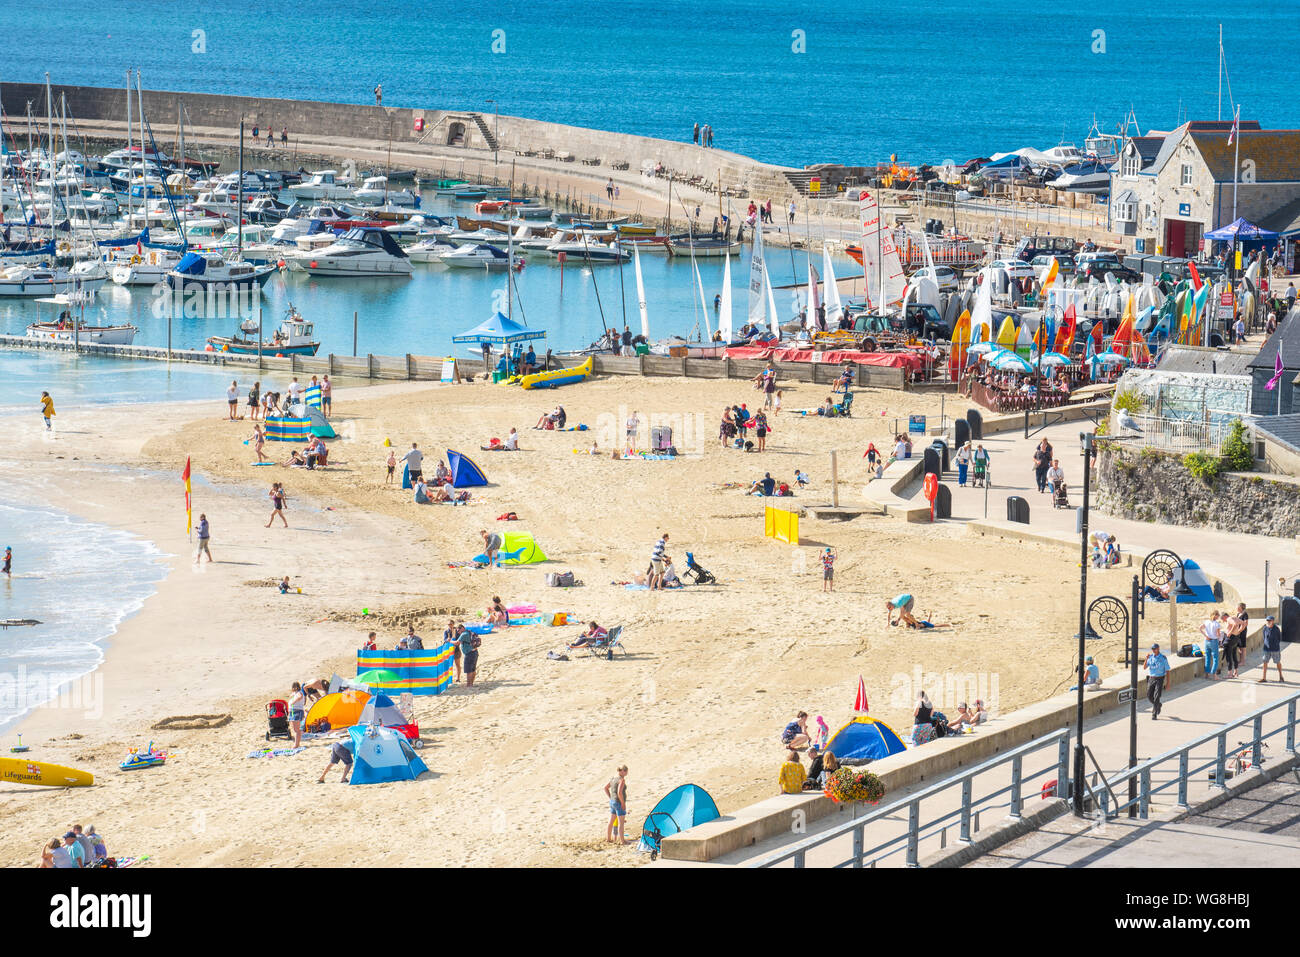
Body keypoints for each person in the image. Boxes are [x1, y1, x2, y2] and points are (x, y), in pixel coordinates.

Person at [1144, 643, 1170, 719]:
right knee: (1149, 696)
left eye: (1155, 649)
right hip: (1151, 678)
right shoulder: (1151, 657)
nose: (1154, 650)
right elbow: (1145, 667)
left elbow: (1167, 670)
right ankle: (1158, 704)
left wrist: (1168, 683)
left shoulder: (1163, 658)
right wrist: (1146, 659)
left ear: (1158, 649)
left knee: (1156, 696)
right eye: (1153, 649)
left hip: (1160, 678)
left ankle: (1154, 714)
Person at [605, 765, 630, 844]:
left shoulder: (613, 778)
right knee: (621, 822)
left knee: (611, 821)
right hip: (618, 802)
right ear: (622, 771)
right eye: (626, 771)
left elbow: (605, 788)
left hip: (612, 801)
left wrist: (611, 797)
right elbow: (619, 793)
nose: (626, 772)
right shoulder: (621, 780)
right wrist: (623, 803)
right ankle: (622, 841)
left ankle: (608, 838)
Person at [1259, 614, 1284, 683]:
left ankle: (1281, 676)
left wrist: (1275, 645)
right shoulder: (1265, 628)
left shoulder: (1276, 629)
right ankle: (1264, 678)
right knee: (1265, 662)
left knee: (1277, 662)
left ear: (1273, 621)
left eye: (1269, 620)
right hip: (1266, 649)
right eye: (1267, 620)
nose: (1268, 622)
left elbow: (1279, 638)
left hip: (1275, 649)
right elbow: (1264, 637)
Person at [1200, 611, 1222, 680]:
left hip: (1207, 640)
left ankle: (1207, 674)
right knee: (1215, 658)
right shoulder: (1217, 624)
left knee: (1208, 657)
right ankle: (1214, 675)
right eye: (1218, 616)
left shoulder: (1206, 622)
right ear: (1216, 616)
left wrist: (1205, 636)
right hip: (1214, 641)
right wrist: (1220, 638)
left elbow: (1200, 628)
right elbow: (1218, 635)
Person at [288, 682, 306, 747]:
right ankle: (297, 743)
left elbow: (300, 697)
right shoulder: (296, 693)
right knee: (295, 729)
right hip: (293, 711)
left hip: (297, 711)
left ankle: (296, 744)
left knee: (297, 730)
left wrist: (293, 702)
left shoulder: (299, 693)